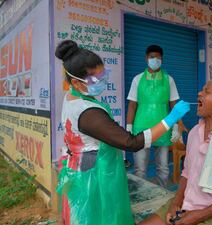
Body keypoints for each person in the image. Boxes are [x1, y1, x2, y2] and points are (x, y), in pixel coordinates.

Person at [55, 40, 190, 225]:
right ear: (76, 83)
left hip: (85, 164)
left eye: (103, 75)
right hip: (95, 173)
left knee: (162, 168)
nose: (102, 81)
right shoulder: (88, 111)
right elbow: (131, 143)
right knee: (101, 214)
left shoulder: (74, 96)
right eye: (96, 79)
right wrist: (171, 119)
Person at [138, 78, 212, 225]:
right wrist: (175, 203)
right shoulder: (194, 132)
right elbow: (187, 173)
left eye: (207, 91)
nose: (199, 93)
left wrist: (198, 216)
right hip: (189, 203)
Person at [126, 45, 183, 187]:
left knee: (163, 168)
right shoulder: (137, 79)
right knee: (140, 168)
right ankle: (142, 195)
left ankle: (161, 196)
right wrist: (129, 127)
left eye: (158, 57)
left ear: (162, 59)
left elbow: (174, 105)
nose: (155, 60)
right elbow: (132, 105)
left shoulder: (169, 80)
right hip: (141, 128)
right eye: (152, 57)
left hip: (163, 127)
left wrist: (177, 126)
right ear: (146, 58)